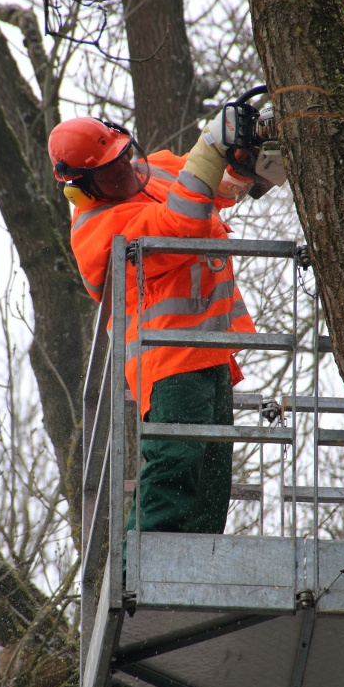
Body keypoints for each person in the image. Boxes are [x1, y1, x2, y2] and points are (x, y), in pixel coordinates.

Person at [48, 110, 284, 541]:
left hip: (210, 351)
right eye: (111, 171)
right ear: (82, 189)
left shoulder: (153, 168)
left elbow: (212, 184)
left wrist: (246, 159)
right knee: (175, 463)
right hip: (167, 361)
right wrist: (210, 146)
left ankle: (201, 563)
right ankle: (140, 561)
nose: (126, 171)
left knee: (212, 479)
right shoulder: (96, 230)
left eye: (124, 157)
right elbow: (182, 224)